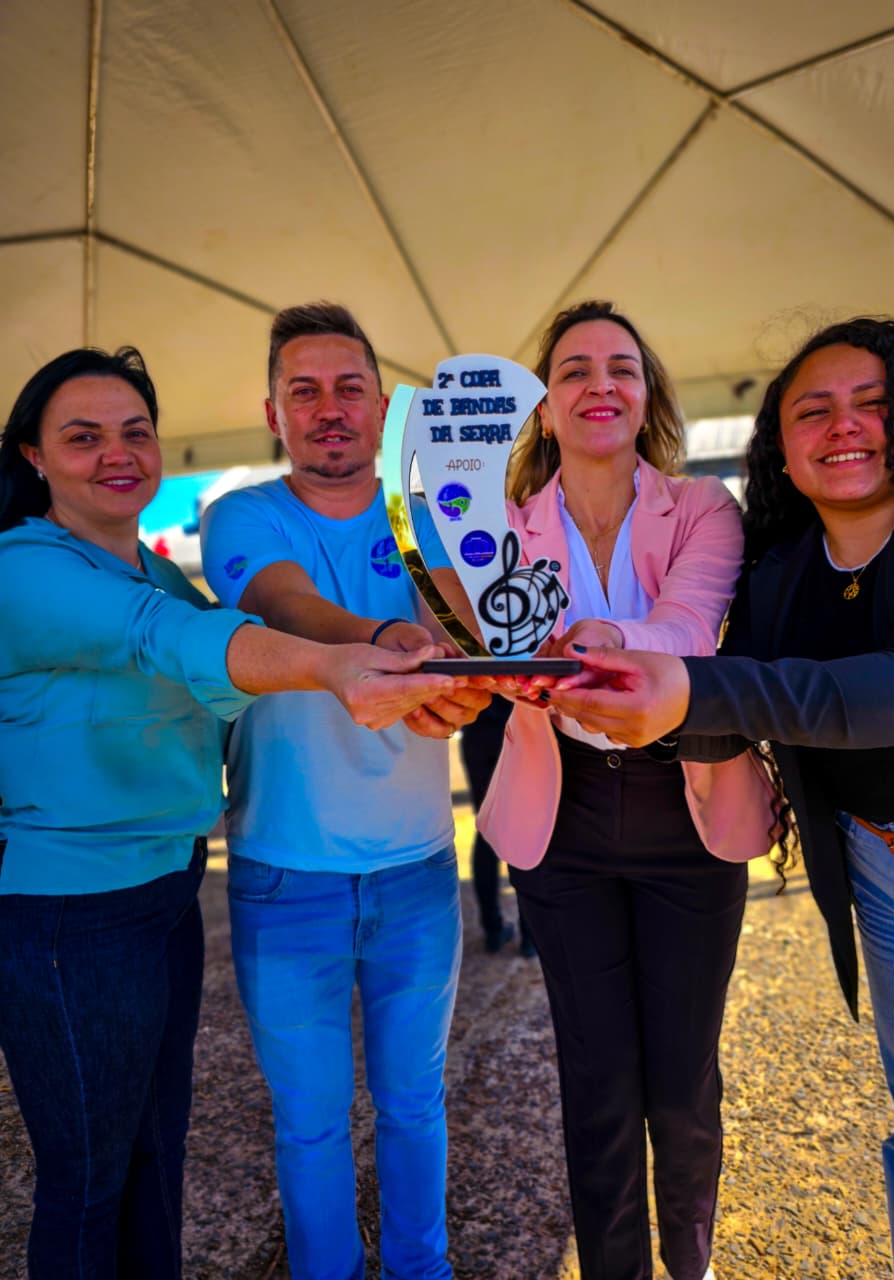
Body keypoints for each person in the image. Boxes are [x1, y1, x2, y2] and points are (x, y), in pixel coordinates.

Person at [0, 346, 460, 1280]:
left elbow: (197, 655)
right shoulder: (23, 566)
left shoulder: (160, 577)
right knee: (87, 1180)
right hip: (67, 914)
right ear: (33, 457)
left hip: (168, 894)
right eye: (83, 437)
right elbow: (178, 637)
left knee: (153, 1158)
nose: (117, 453)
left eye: (135, 432)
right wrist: (337, 661)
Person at [546, 317, 894, 1280]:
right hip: (884, 874)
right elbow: (727, 701)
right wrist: (604, 692)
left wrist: (681, 685)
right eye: (813, 411)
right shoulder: (781, 569)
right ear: (780, 443)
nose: (842, 426)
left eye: (871, 403)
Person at [474, 300, 775, 1280]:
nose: (598, 384)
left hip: (685, 809)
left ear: (647, 397)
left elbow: (688, 626)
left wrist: (607, 641)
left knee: (683, 1083)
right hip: (562, 819)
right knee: (596, 1082)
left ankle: (691, 1263)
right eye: (574, 370)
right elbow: (491, 647)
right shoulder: (496, 530)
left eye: (621, 368)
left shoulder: (705, 509)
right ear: (545, 408)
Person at [200, 302, 489, 1280]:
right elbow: (283, 602)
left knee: (414, 1104)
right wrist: (379, 640)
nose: (329, 408)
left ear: (381, 405)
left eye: (349, 387)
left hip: (417, 871)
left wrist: (459, 673)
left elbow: (459, 626)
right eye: (305, 390)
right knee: (311, 1122)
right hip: (285, 877)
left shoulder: (428, 512)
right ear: (273, 412)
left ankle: (422, 1269)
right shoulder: (241, 513)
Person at [458, 696, 536, 955]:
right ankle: (529, 936)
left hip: (478, 730)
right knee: (525, 834)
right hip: (520, 729)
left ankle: (492, 929)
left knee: (486, 831)